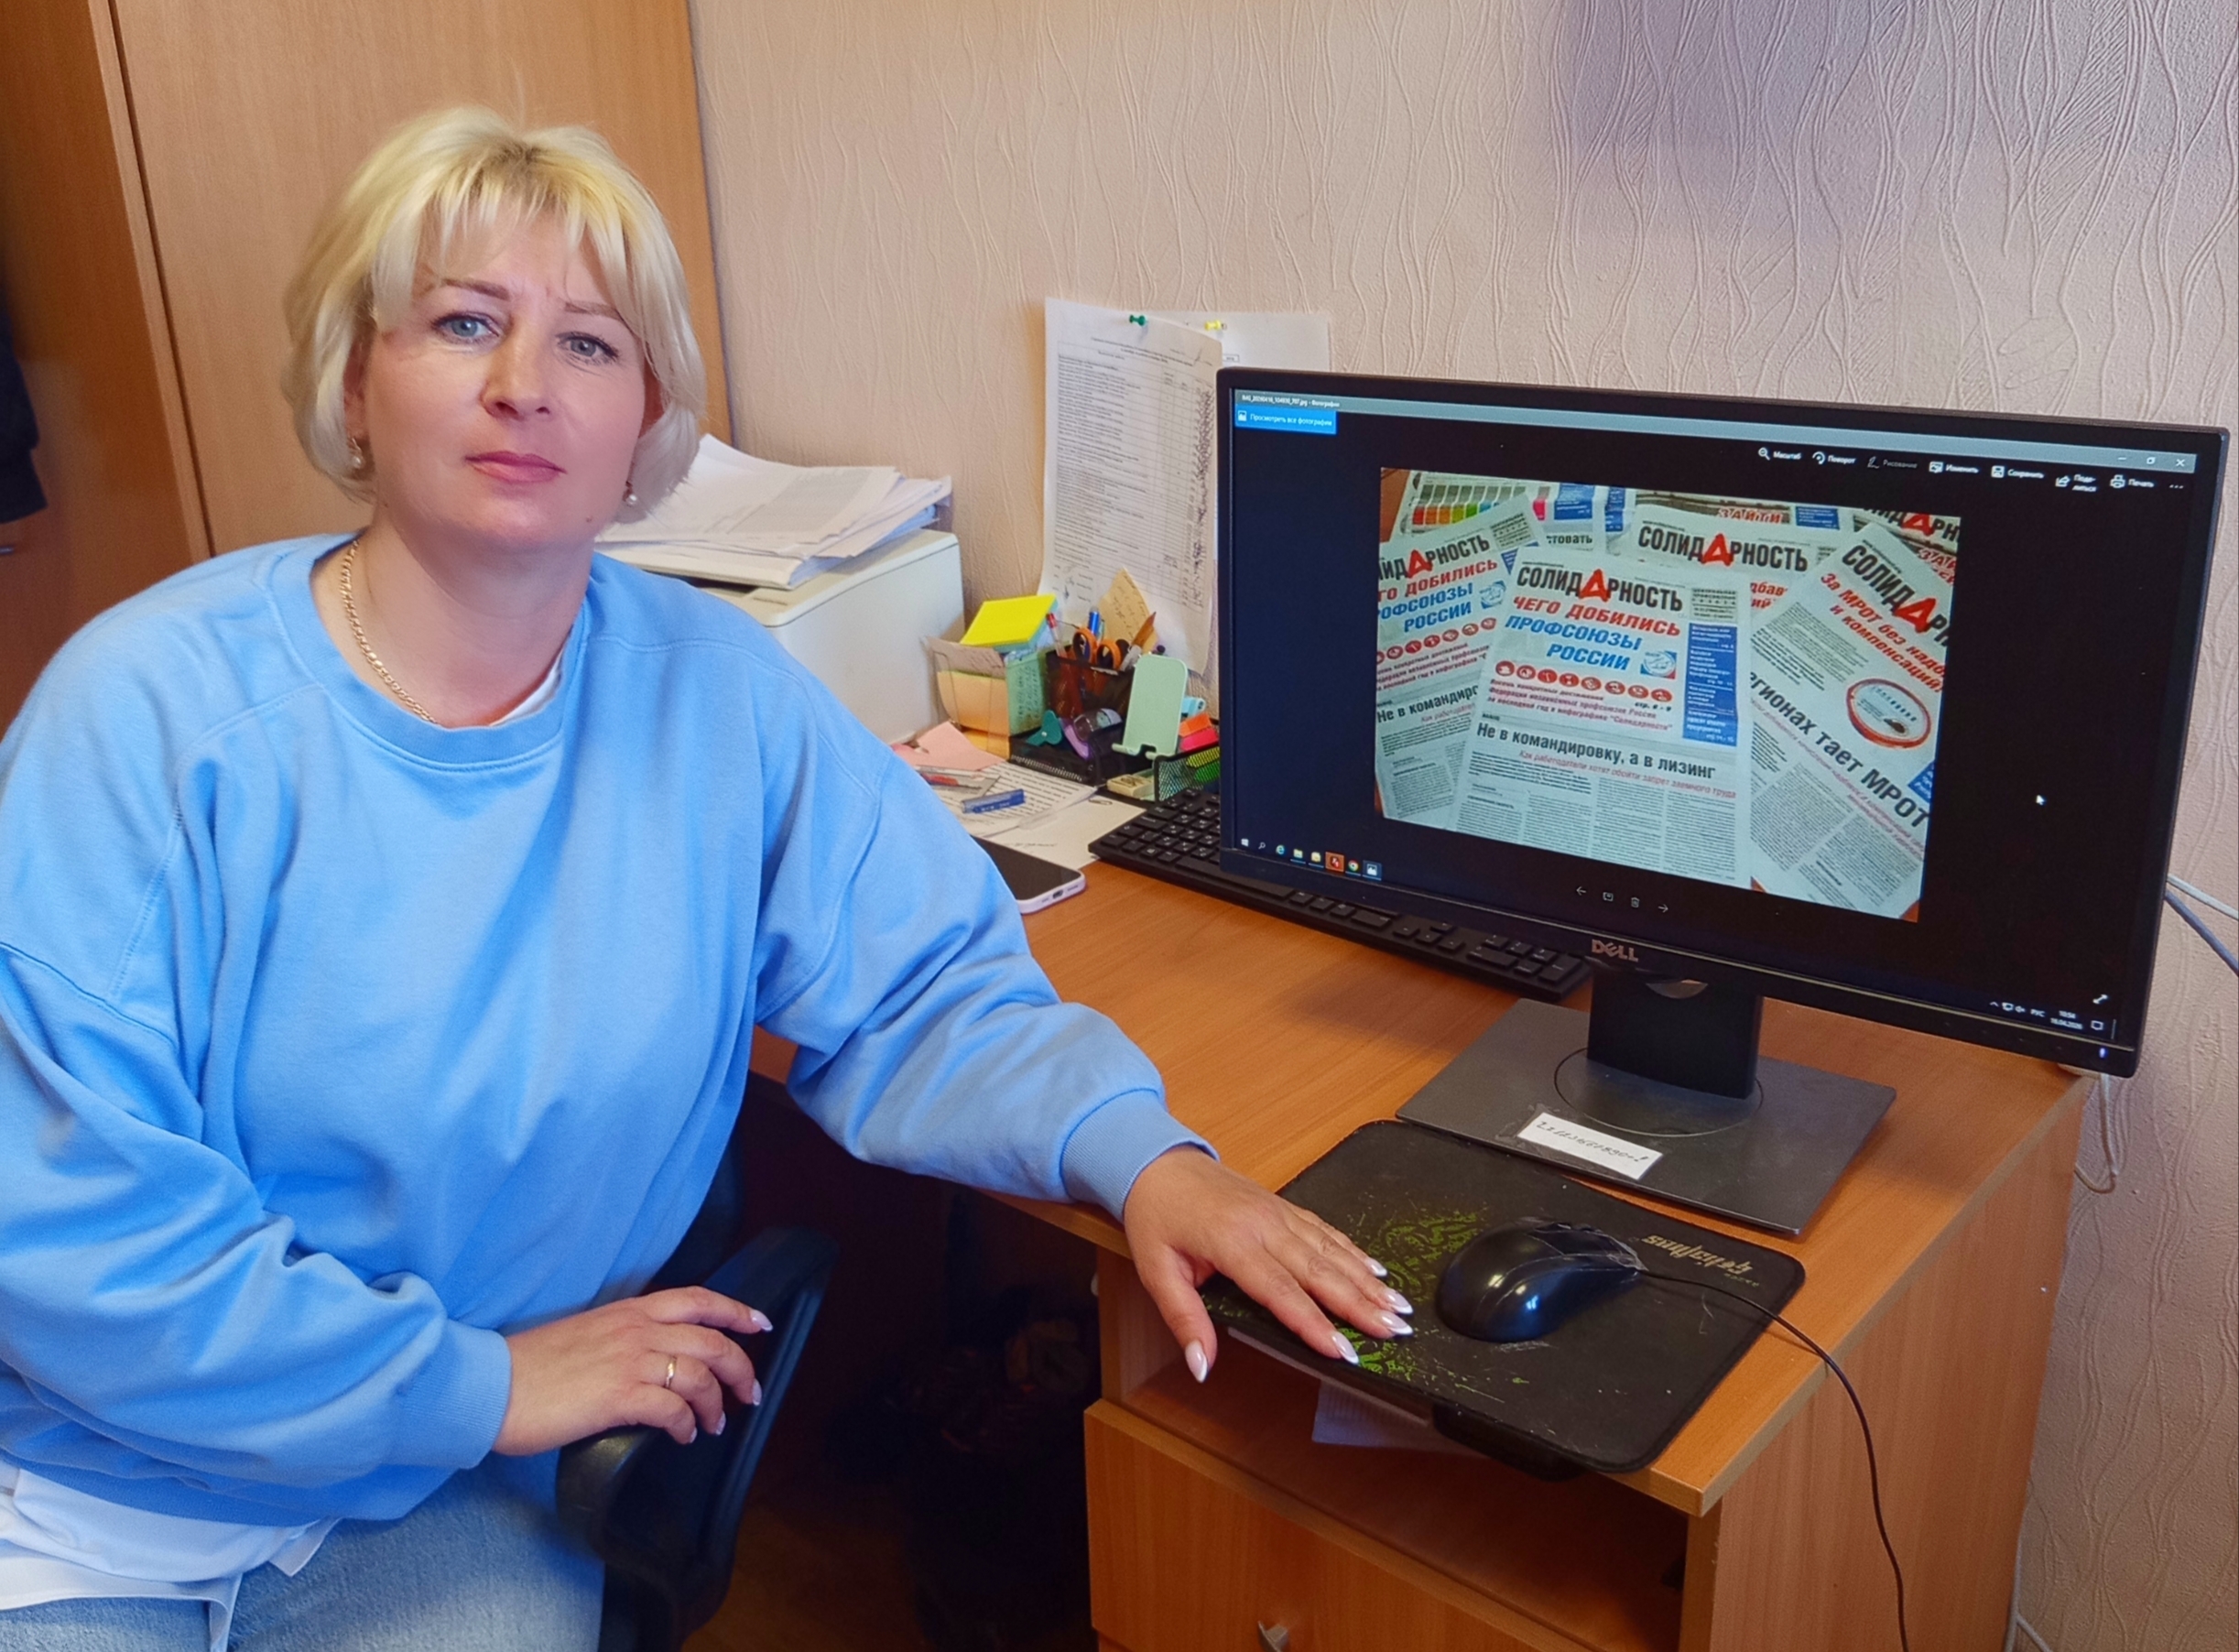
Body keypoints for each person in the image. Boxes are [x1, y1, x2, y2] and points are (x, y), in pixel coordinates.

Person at [0, 108, 1411, 1651]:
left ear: (647, 419)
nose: (524, 382)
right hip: (101, 1484)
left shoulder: (717, 698)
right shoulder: (146, 718)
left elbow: (924, 989)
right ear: (353, 377)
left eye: (587, 343)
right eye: (462, 321)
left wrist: (1146, 1159)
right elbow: (69, 1234)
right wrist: (481, 1381)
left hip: (439, 1493)